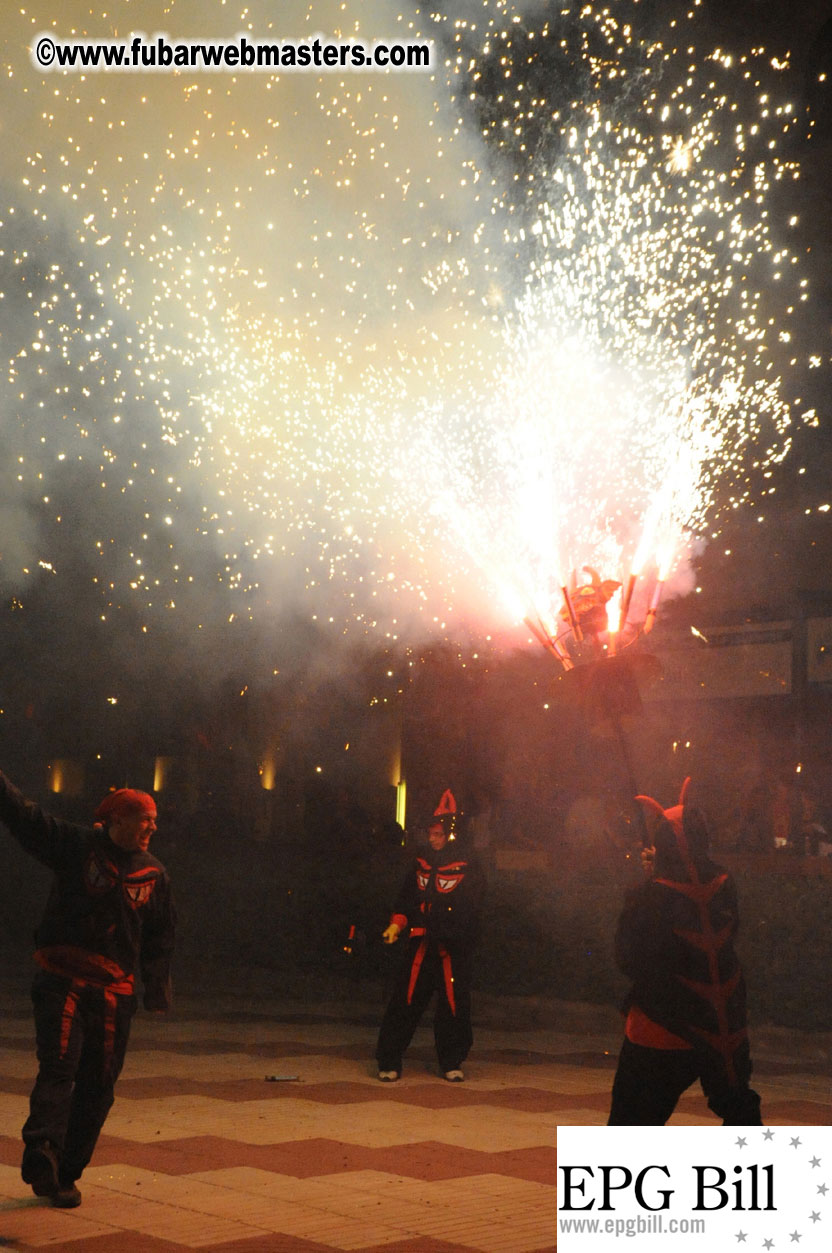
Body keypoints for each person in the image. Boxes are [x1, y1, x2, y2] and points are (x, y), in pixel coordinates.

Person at [0, 769, 176, 1206]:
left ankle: (66, 1172)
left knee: (99, 1085)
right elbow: (27, 818)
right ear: (116, 820)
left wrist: (156, 988)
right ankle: (42, 1152)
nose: (152, 827)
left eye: (154, 820)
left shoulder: (155, 874)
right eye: (143, 819)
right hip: (63, 979)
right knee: (60, 1066)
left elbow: (160, 933)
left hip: (115, 994)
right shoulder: (77, 846)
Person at [608, 778, 762, 1126]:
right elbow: (691, 886)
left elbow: (628, 958)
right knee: (739, 1109)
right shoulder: (724, 883)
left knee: (628, 1130)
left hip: (660, 1033)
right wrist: (659, 874)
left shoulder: (650, 897)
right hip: (722, 1028)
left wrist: (651, 882)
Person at [375, 796, 484, 1082]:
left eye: (439, 834)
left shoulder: (469, 864)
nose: (434, 839)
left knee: (453, 1004)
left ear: (451, 835)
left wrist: (459, 936)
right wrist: (396, 926)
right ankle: (389, 1059)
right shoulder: (421, 860)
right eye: (431, 834)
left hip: (451, 949)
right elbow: (407, 898)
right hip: (420, 944)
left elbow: (475, 908)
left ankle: (451, 1060)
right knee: (405, 1000)